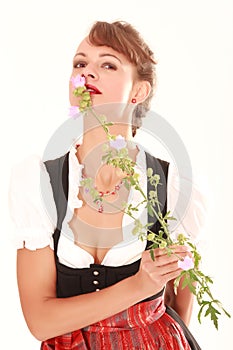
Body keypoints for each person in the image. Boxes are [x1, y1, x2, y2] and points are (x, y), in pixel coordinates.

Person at [9, 21, 204, 349]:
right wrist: (139, 287)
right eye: (80, 63)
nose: (88, 72)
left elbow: (178, 308)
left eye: (108, 64)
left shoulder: (173, 187)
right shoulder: (38, 183)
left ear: (139, 91)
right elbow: (40, 322)